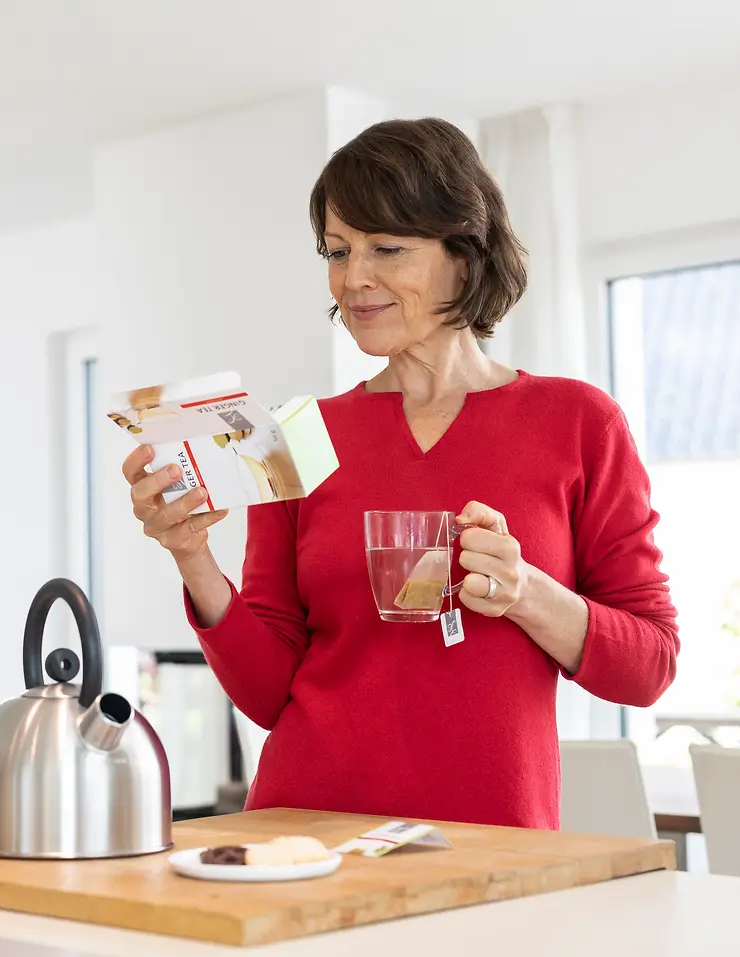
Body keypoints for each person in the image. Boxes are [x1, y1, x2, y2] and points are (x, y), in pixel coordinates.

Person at [121, 118, 678, 830]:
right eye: (338, 251)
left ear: (465, 256)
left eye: (387, 248)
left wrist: (524, 591)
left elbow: (649, 665)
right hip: (307, 837)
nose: (355, 279)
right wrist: (195, 561)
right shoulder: (297, 433)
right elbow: (268, 696)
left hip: (491, 844)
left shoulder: (578, 422)